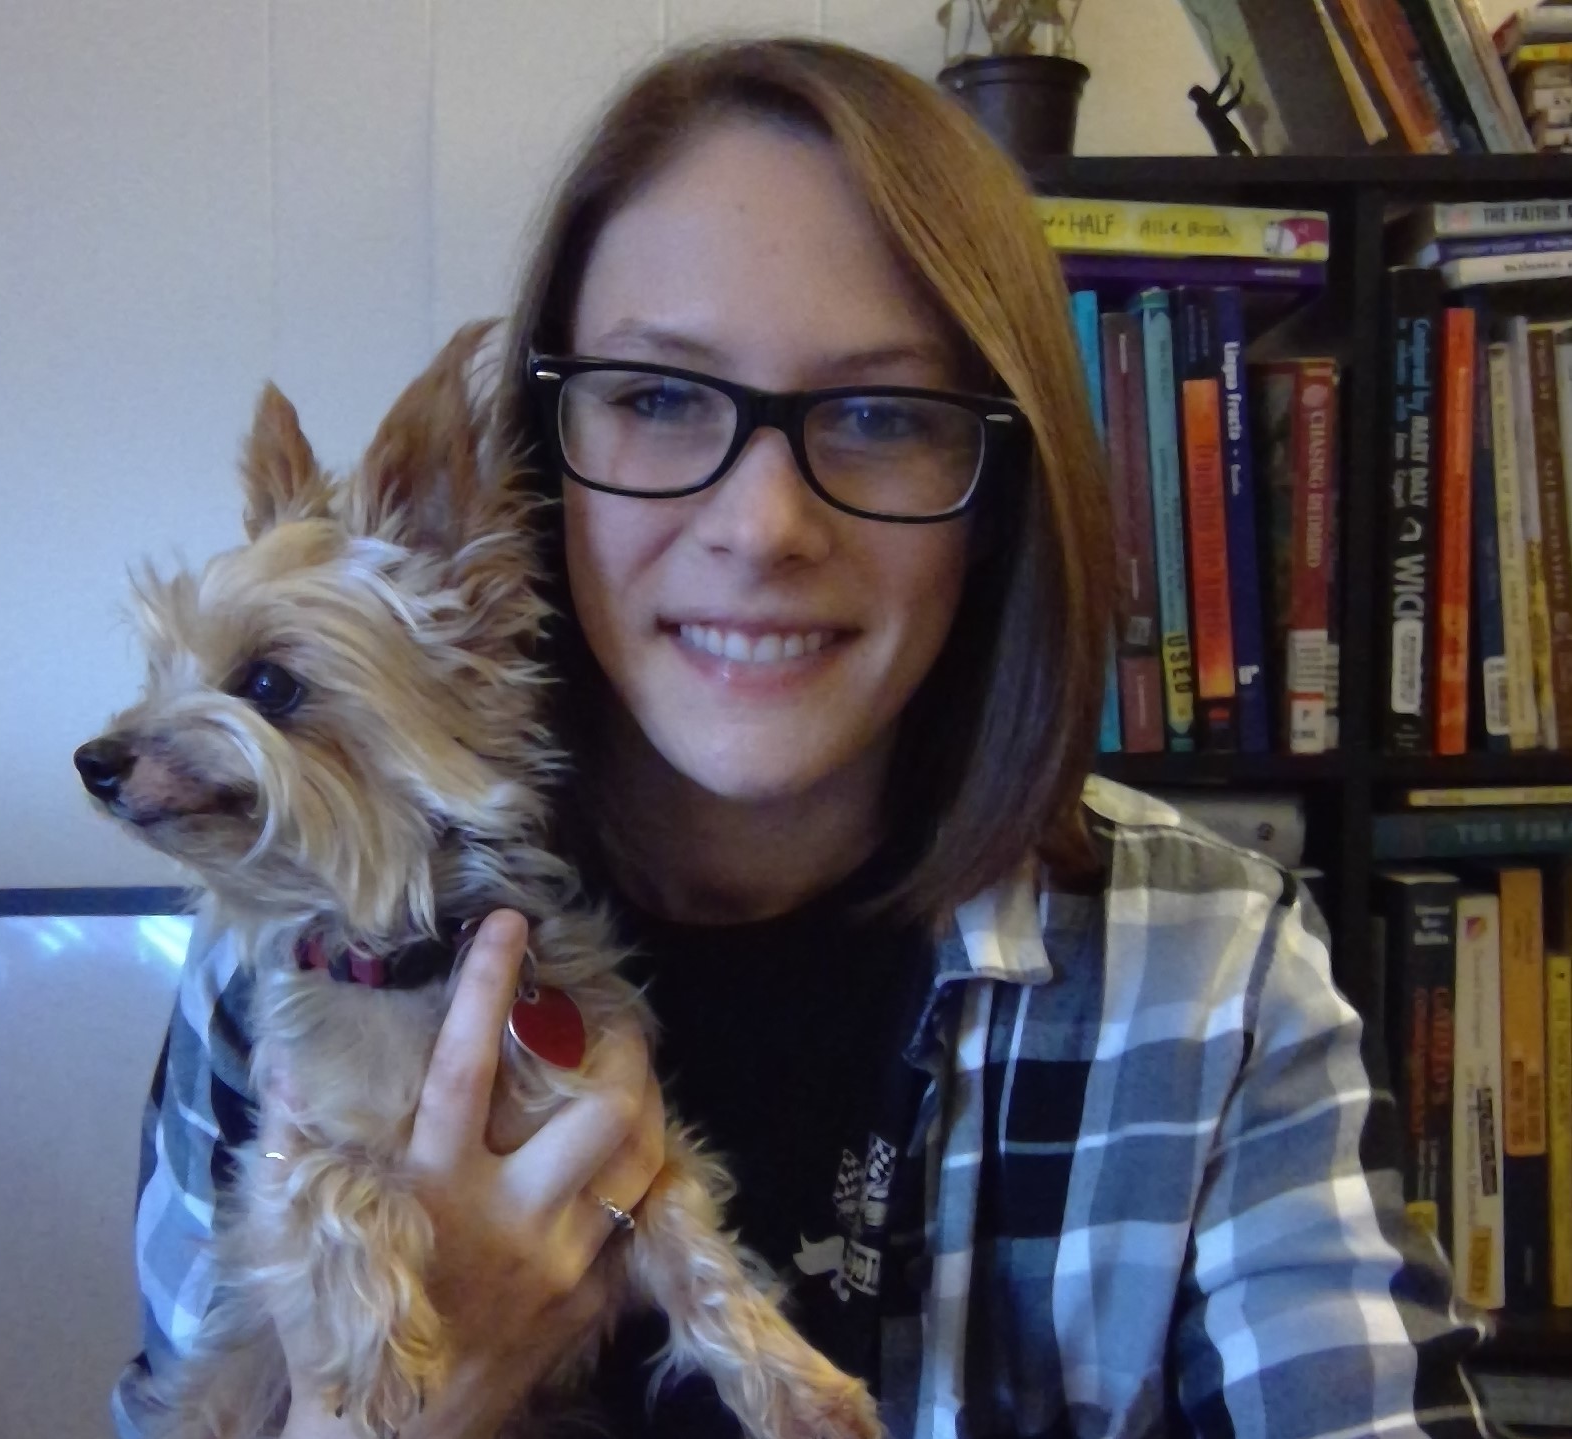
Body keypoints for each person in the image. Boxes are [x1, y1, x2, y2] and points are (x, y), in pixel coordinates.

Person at [115, 37, 1489, 1439]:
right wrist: (416, 1404)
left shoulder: (1209, 978)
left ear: (1000, 490)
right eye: (657, 398)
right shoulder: (287, 939)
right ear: (527, 476)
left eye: (882, 415)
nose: (764, 527)